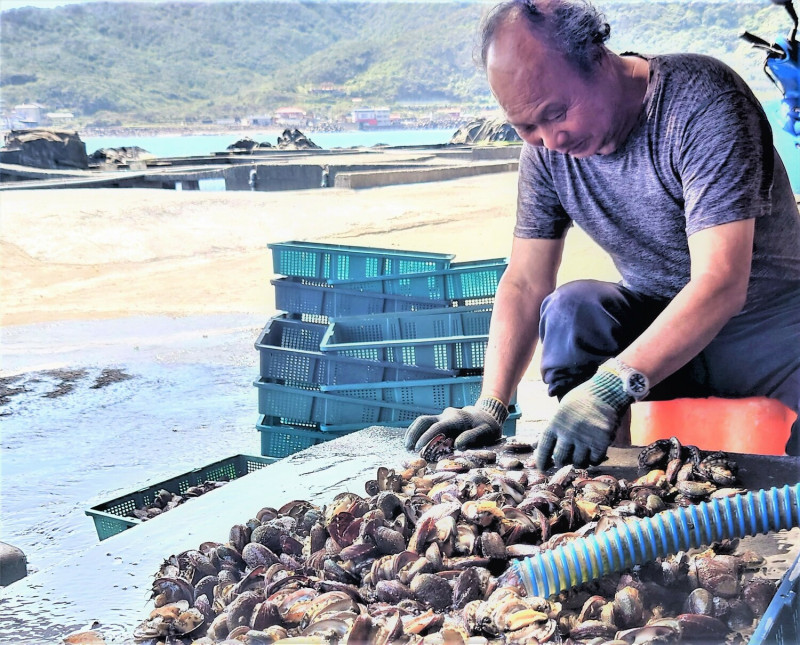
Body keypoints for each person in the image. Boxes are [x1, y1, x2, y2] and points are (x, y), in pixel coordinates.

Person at [405, 0, 800, 468]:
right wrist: (491, 405)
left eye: (556, 113)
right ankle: (600, 476)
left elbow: (720, 284)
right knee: (573, 311)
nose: (552, 140)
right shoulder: (546, 154)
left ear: (597, 57)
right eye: (526, 126)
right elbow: (526, 281)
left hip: (772, 332)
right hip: (658, 332)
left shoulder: (702, 101)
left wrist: (610, 383)